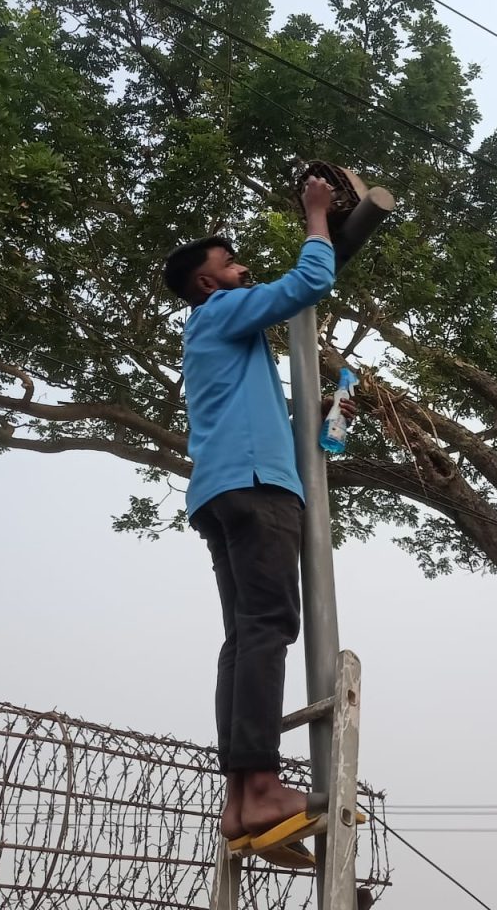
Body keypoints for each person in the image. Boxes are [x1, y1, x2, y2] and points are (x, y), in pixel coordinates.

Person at [163, 176, 355, 846]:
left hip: (223, 490)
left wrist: (325, 412)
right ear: (209, 285)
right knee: (268, 626)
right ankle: (264, 784)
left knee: (246, 636)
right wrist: (316, 215)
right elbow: (308, 281)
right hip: (254, 489)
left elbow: (274, 418)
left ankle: (242, 799)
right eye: (230, 263)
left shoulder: (222, 341)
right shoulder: (220, 314)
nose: (243, 267)